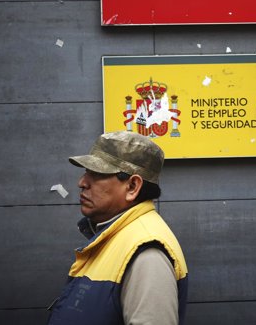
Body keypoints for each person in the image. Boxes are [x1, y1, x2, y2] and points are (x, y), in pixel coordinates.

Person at [48, 131, 188, 325]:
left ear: (132, 186)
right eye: (86, 172)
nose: (82, 182)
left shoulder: (147, 254)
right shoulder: (116, 235)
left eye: (96, 173)